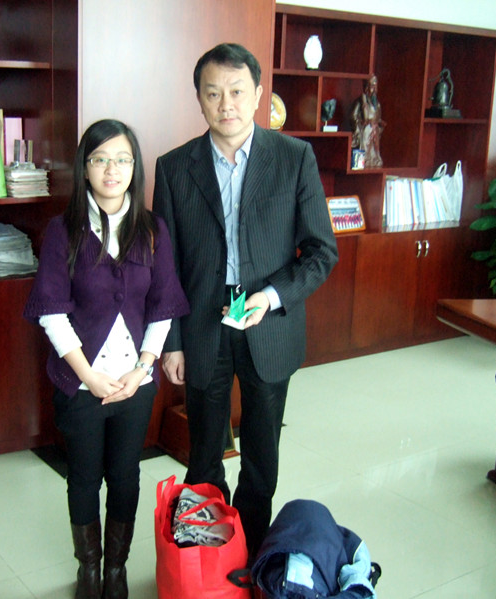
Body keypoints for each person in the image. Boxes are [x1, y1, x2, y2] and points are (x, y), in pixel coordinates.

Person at [153, 43, 339, 561]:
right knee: (204, 456)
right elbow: (165, 266)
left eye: (237, 91)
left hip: (269, 323)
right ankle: (208, 560)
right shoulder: (174, 167)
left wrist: (272, 296)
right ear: (199, 99)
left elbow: (321, 251)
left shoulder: (294, 158)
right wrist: (171, 341)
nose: (226, 104)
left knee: (261, 457)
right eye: (213, 93)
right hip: (203, 325)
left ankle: (250, 559)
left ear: (258, 94)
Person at [24, 119, 189, 599]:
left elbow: (163, 307)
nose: (111, 169)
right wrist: (88, 376)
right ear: (85, 167)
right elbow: (52, 313)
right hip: (80, 384)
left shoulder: (152, 229)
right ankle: (89, 570)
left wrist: (142, 369)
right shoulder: (63, 230)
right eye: (100, 159)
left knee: (125, 475)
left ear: (134, 167)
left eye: (121, 159)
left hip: (135, 384)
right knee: (82, 477)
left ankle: (116, 569)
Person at [350, 75, 385, 168]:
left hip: (374, 130)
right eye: (371, 86)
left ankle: (375, 161)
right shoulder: (360, 102)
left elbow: (377, 116)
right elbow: (353, 116)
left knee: (374, 149)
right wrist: (359, 124)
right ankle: (360, 162)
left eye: (375, 86)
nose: (373, 90)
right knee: (364, 146)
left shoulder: (377, 104)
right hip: (365, 129)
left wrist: (380, 122)